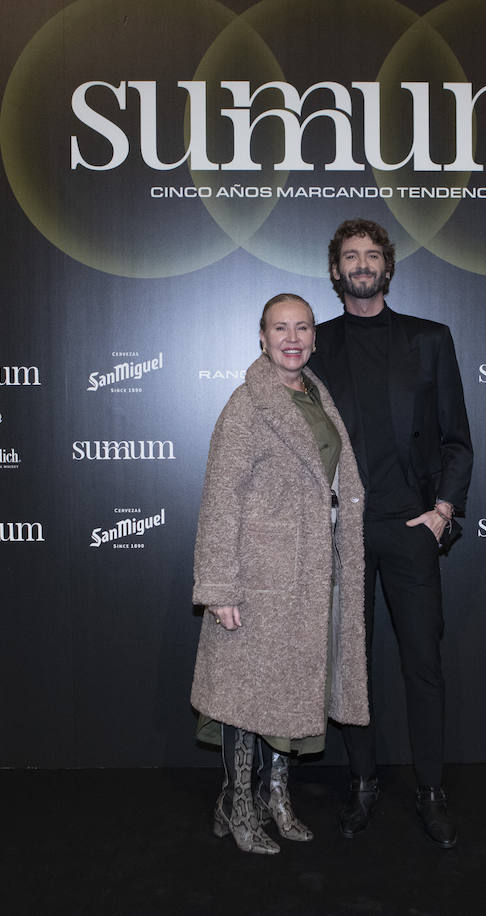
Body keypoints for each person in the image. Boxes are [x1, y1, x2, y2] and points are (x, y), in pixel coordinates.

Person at [308, 218, 473, 849]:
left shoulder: (430, 340)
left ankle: (431, 789)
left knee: (422, 664)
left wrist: (442, 512)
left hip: (411, 528)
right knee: (353, 668)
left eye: (371, 255)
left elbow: (458, 439)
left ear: (388, 267)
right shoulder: (314, 347)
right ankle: (363, 781)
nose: (361, 265)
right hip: (342, 531)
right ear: (335, 270)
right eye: (350, 256)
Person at [190, 293, 370, 855]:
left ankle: (276, 799)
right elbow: (220, 496)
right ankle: (240, 805)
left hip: (311, 573)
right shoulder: (247, 403)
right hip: (258, 575)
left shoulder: (318, 395)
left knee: (290, 691)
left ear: (315, 337)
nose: (292, 338)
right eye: (279, 328)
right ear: (262, 336)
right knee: (246, 697)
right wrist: (218, 585)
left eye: (302, 328)